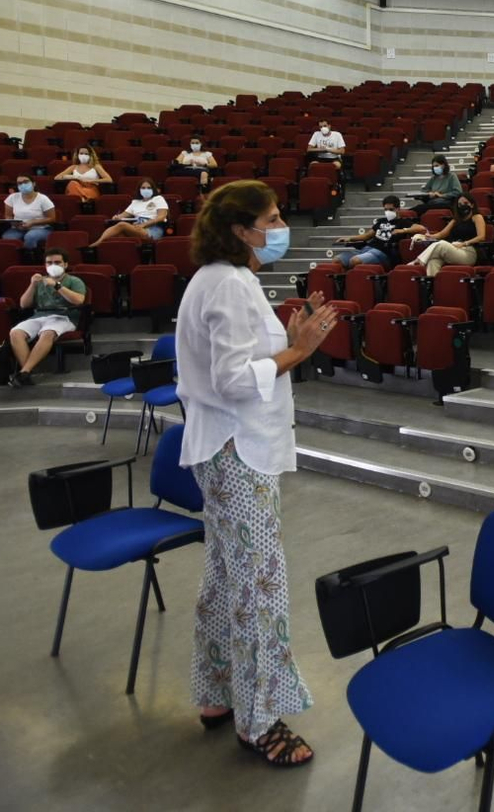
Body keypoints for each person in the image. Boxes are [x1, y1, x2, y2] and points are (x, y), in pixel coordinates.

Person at [177, 180, 338, 766]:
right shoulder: (227, 285)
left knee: (226, 578)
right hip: (236, 452)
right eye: (269, 219)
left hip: (227, 451)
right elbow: (233, 380)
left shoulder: (225, 279)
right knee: (259, 588)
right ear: (241, 230)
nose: (278, 226)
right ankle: (260, 720)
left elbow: (242, 361)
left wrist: (290, 342)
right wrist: (298, 353)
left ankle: (219, 693)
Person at [7, 248, 86, 385]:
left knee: (47, 333)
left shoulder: (74, 281)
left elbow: (79, 300)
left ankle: (24, 372)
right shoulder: (40, 281)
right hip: (39, 316)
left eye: (57, 262)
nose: (53, 265)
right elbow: (24, 304)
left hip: (64, 317)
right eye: (49, 263)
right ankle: (28, 373)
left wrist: (57, 285)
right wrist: (32, 285)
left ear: (65, 265)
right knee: (15, 332)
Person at [334, 195, 423, 269]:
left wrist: (403, 230)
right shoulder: (381, 221)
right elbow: (367, 236)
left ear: (398, 209)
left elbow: (421, 228)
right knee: (337, 260)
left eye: (391, 209)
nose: (388, 212)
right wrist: (349, 239)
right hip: (367, 249)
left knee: (355, 261)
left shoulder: (403, 222)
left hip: (383, 252)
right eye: (385, 209)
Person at [413, 195, 487, 277]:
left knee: (442, 244)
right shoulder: (456, 220)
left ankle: (418, 261)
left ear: (472, 205)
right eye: (460, 204)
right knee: (433, 261)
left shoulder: (477, 217)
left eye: (465, 203)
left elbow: (481, 237)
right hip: (453, 248)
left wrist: (464, 243)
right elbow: (441, 234)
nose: (462, 206)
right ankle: (434, 285)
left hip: (469, 252)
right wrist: (429, 236)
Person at [91, 179, 168, 246]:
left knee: (122, 225)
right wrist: (117, 217)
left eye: (149, 188)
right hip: (137, 227)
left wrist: (143, 225)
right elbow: (123, 215)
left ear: (153, 189)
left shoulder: (158, 198)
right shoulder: (135, 202)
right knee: (119, 235)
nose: (146, 190)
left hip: (153, 229)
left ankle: (97, 244)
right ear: (139, 190)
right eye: (143, 188)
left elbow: (161, 217)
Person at [0, 177, 57, 249]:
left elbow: (52, 218)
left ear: (33, 184)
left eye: (26, 182)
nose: (23, 185)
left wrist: (33, 222)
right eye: (19, 183)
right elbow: (8, 216)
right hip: (18, 228)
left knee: (30, 237)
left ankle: (29, 257)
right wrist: (15, 224)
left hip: (40, 228)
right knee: (8, 237)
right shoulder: (12, 197)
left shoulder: (43, 198)